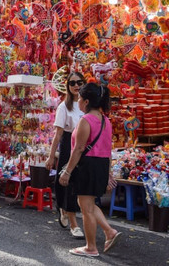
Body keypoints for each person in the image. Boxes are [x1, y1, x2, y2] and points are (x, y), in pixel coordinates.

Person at [59, 82, 121, 258]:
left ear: (86, 102)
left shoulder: (85, 120)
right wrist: (107, 173)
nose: (78, 101)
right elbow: (108, 151)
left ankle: (91, 247)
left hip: (87, 166)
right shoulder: (106, 121)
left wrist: (67, 171)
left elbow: (78, 149)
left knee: (86, 208)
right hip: (100, 165)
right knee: (88, 204)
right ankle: (109, 232)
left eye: (79, 98)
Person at [46, 71, 85, 239]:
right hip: (69, 145)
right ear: (68, 87)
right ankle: (74, 224)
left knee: (79, 185)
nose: (76, 86)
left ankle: (64, 208)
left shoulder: (87, 105)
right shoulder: (64, 106)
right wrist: (50, 156)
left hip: (84, 147)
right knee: (68, 184)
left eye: (79, 82)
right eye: (73, 83)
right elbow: (58, 134)